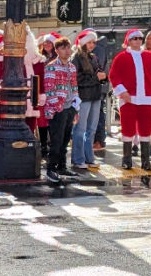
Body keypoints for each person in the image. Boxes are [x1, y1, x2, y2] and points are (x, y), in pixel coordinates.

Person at [109, 29, 151, 172]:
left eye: (140, 38)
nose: (137, 41)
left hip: (147, 99)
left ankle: (145, 160)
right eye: (134, 38)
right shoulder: (121, 57)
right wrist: (122, 92)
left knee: (146, 130)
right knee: (128, 129)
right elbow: (114, 76)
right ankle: (127, 159)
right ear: (128, 41)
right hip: (128, 99)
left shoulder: (150, 57)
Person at [43, 36, 80, 182]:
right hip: (58, 108)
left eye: (68, 47)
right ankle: (51, 168)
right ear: (57, 50)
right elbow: (49, 88)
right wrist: (55, 106)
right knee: (56, 140)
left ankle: (62, 166)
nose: (67, 50)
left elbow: (75, 86)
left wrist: (76, 105)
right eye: (63, 48)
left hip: (70, 106)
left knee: (65, 139)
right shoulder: (52, 66)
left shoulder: (71, 66)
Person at [71, 29, 107, 171]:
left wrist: (104, 77)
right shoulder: (77, 58)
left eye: (93, 42)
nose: (92, 45)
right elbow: (76, 79)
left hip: (95, 95)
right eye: (89, 42)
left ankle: (88, 157)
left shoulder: (93, 57)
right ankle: (78, 158)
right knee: (80, 129)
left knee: (91, 129)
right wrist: (96, 78)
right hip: (84, 97)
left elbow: (97, 73)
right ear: (83, 43)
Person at [92, 35, 111, 152]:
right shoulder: (102, 49)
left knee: (97, 115)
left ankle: (98, 140)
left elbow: (97, 69)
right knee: (99, 114)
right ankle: (99, 140)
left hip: (96, 87)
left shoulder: (97, 49)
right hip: (100, 87)